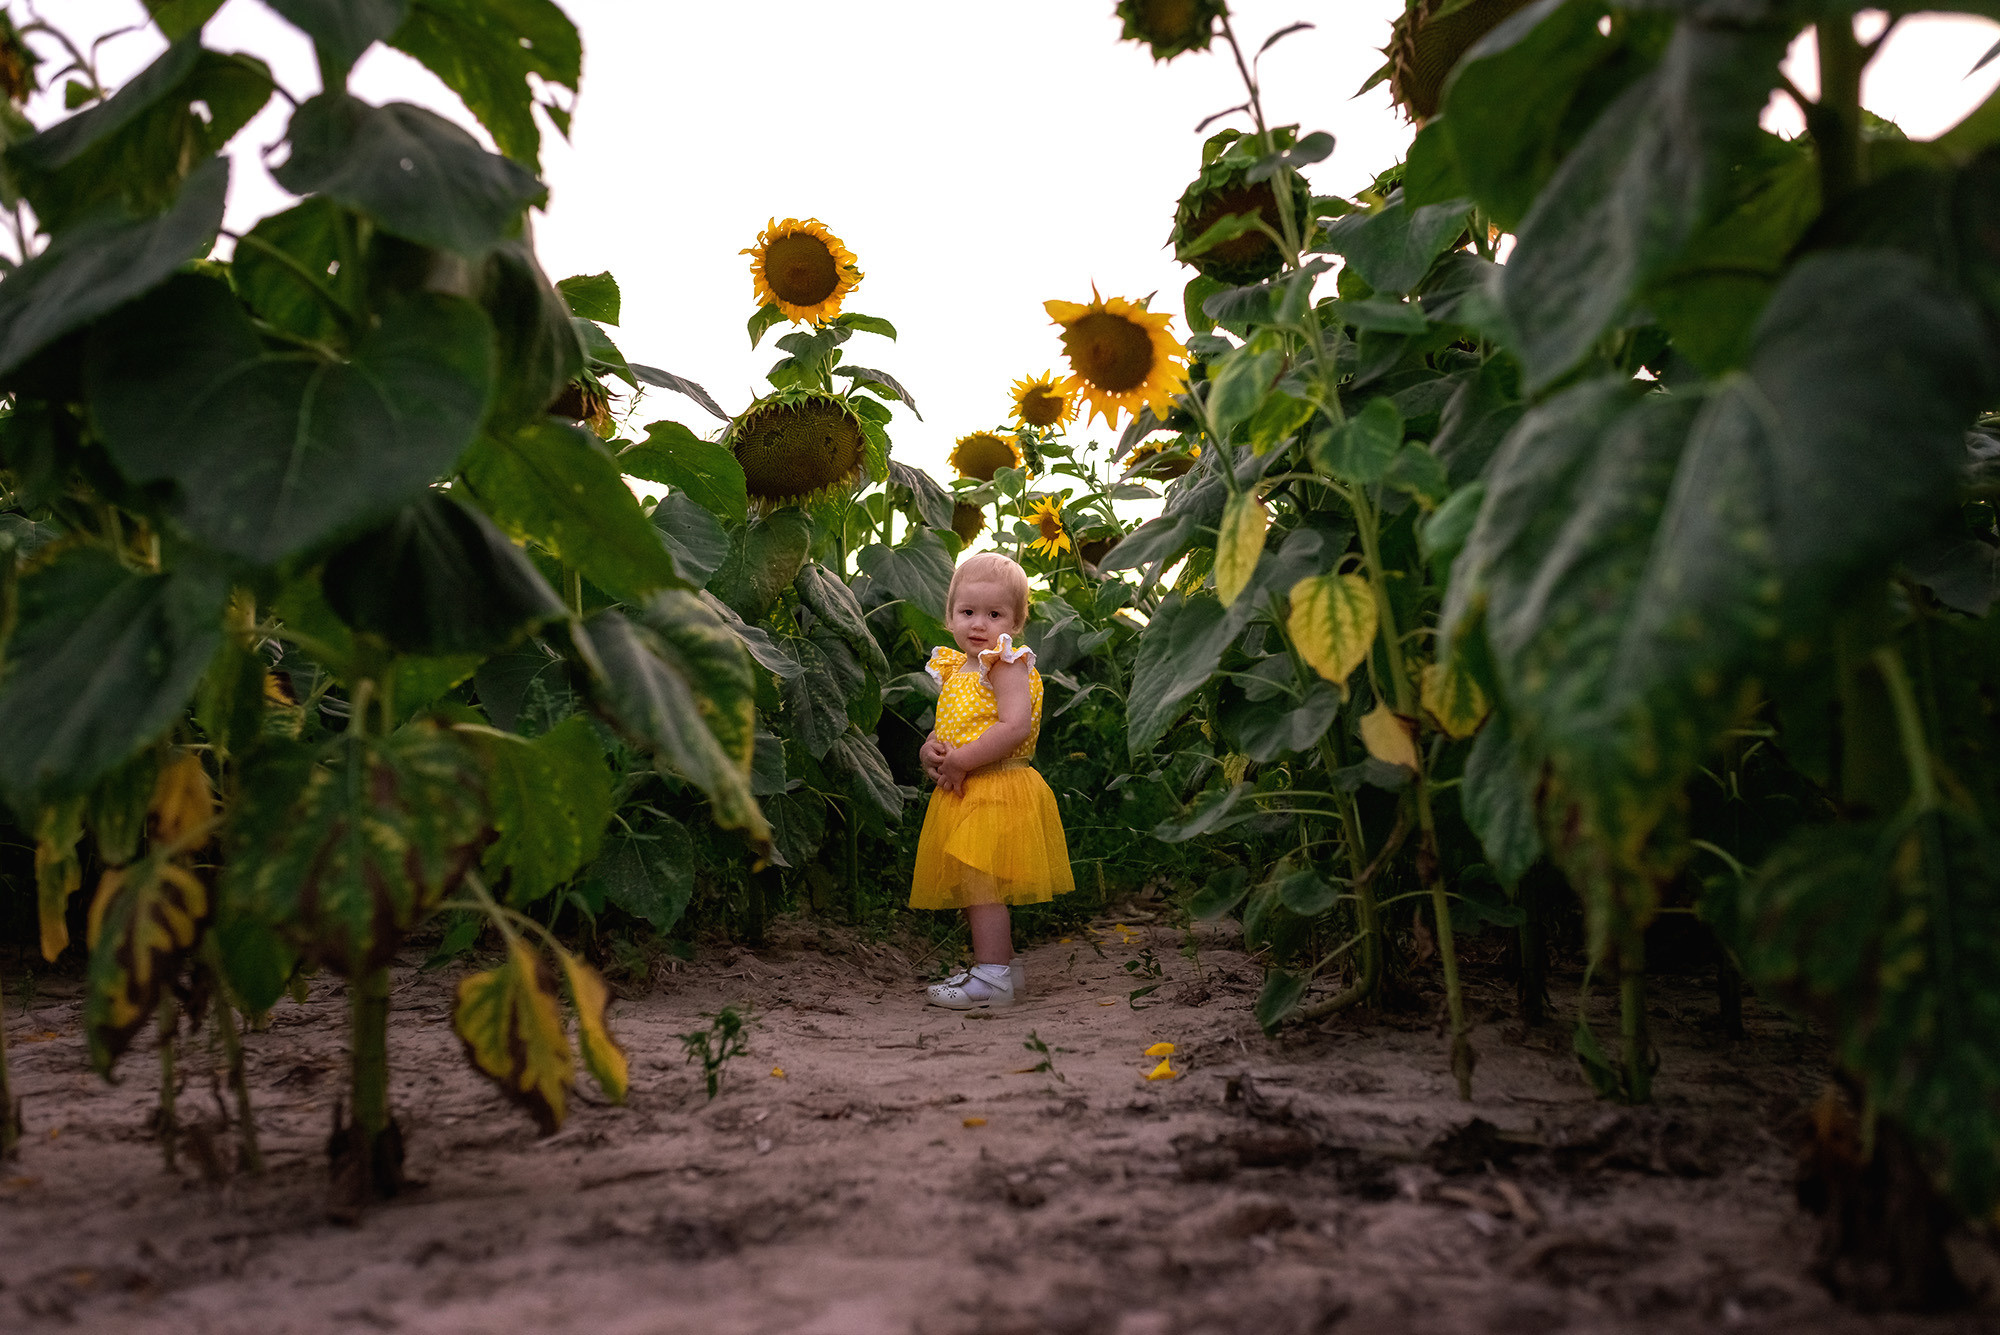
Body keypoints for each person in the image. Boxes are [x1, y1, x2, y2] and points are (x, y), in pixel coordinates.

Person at [911, 551, 1075, 1009]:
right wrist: (933, 749)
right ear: (950, 616)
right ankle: (998, 964)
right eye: (968, 612)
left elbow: (1014, 726)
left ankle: (993, 977)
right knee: (973, 884)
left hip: (997, 786)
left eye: (995, 614)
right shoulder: (955, 667)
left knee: (982, 884)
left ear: (1017, 621)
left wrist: (961, 761)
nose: (979, 624)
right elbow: (952, 725)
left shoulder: (1005, 663)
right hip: (968, 789)